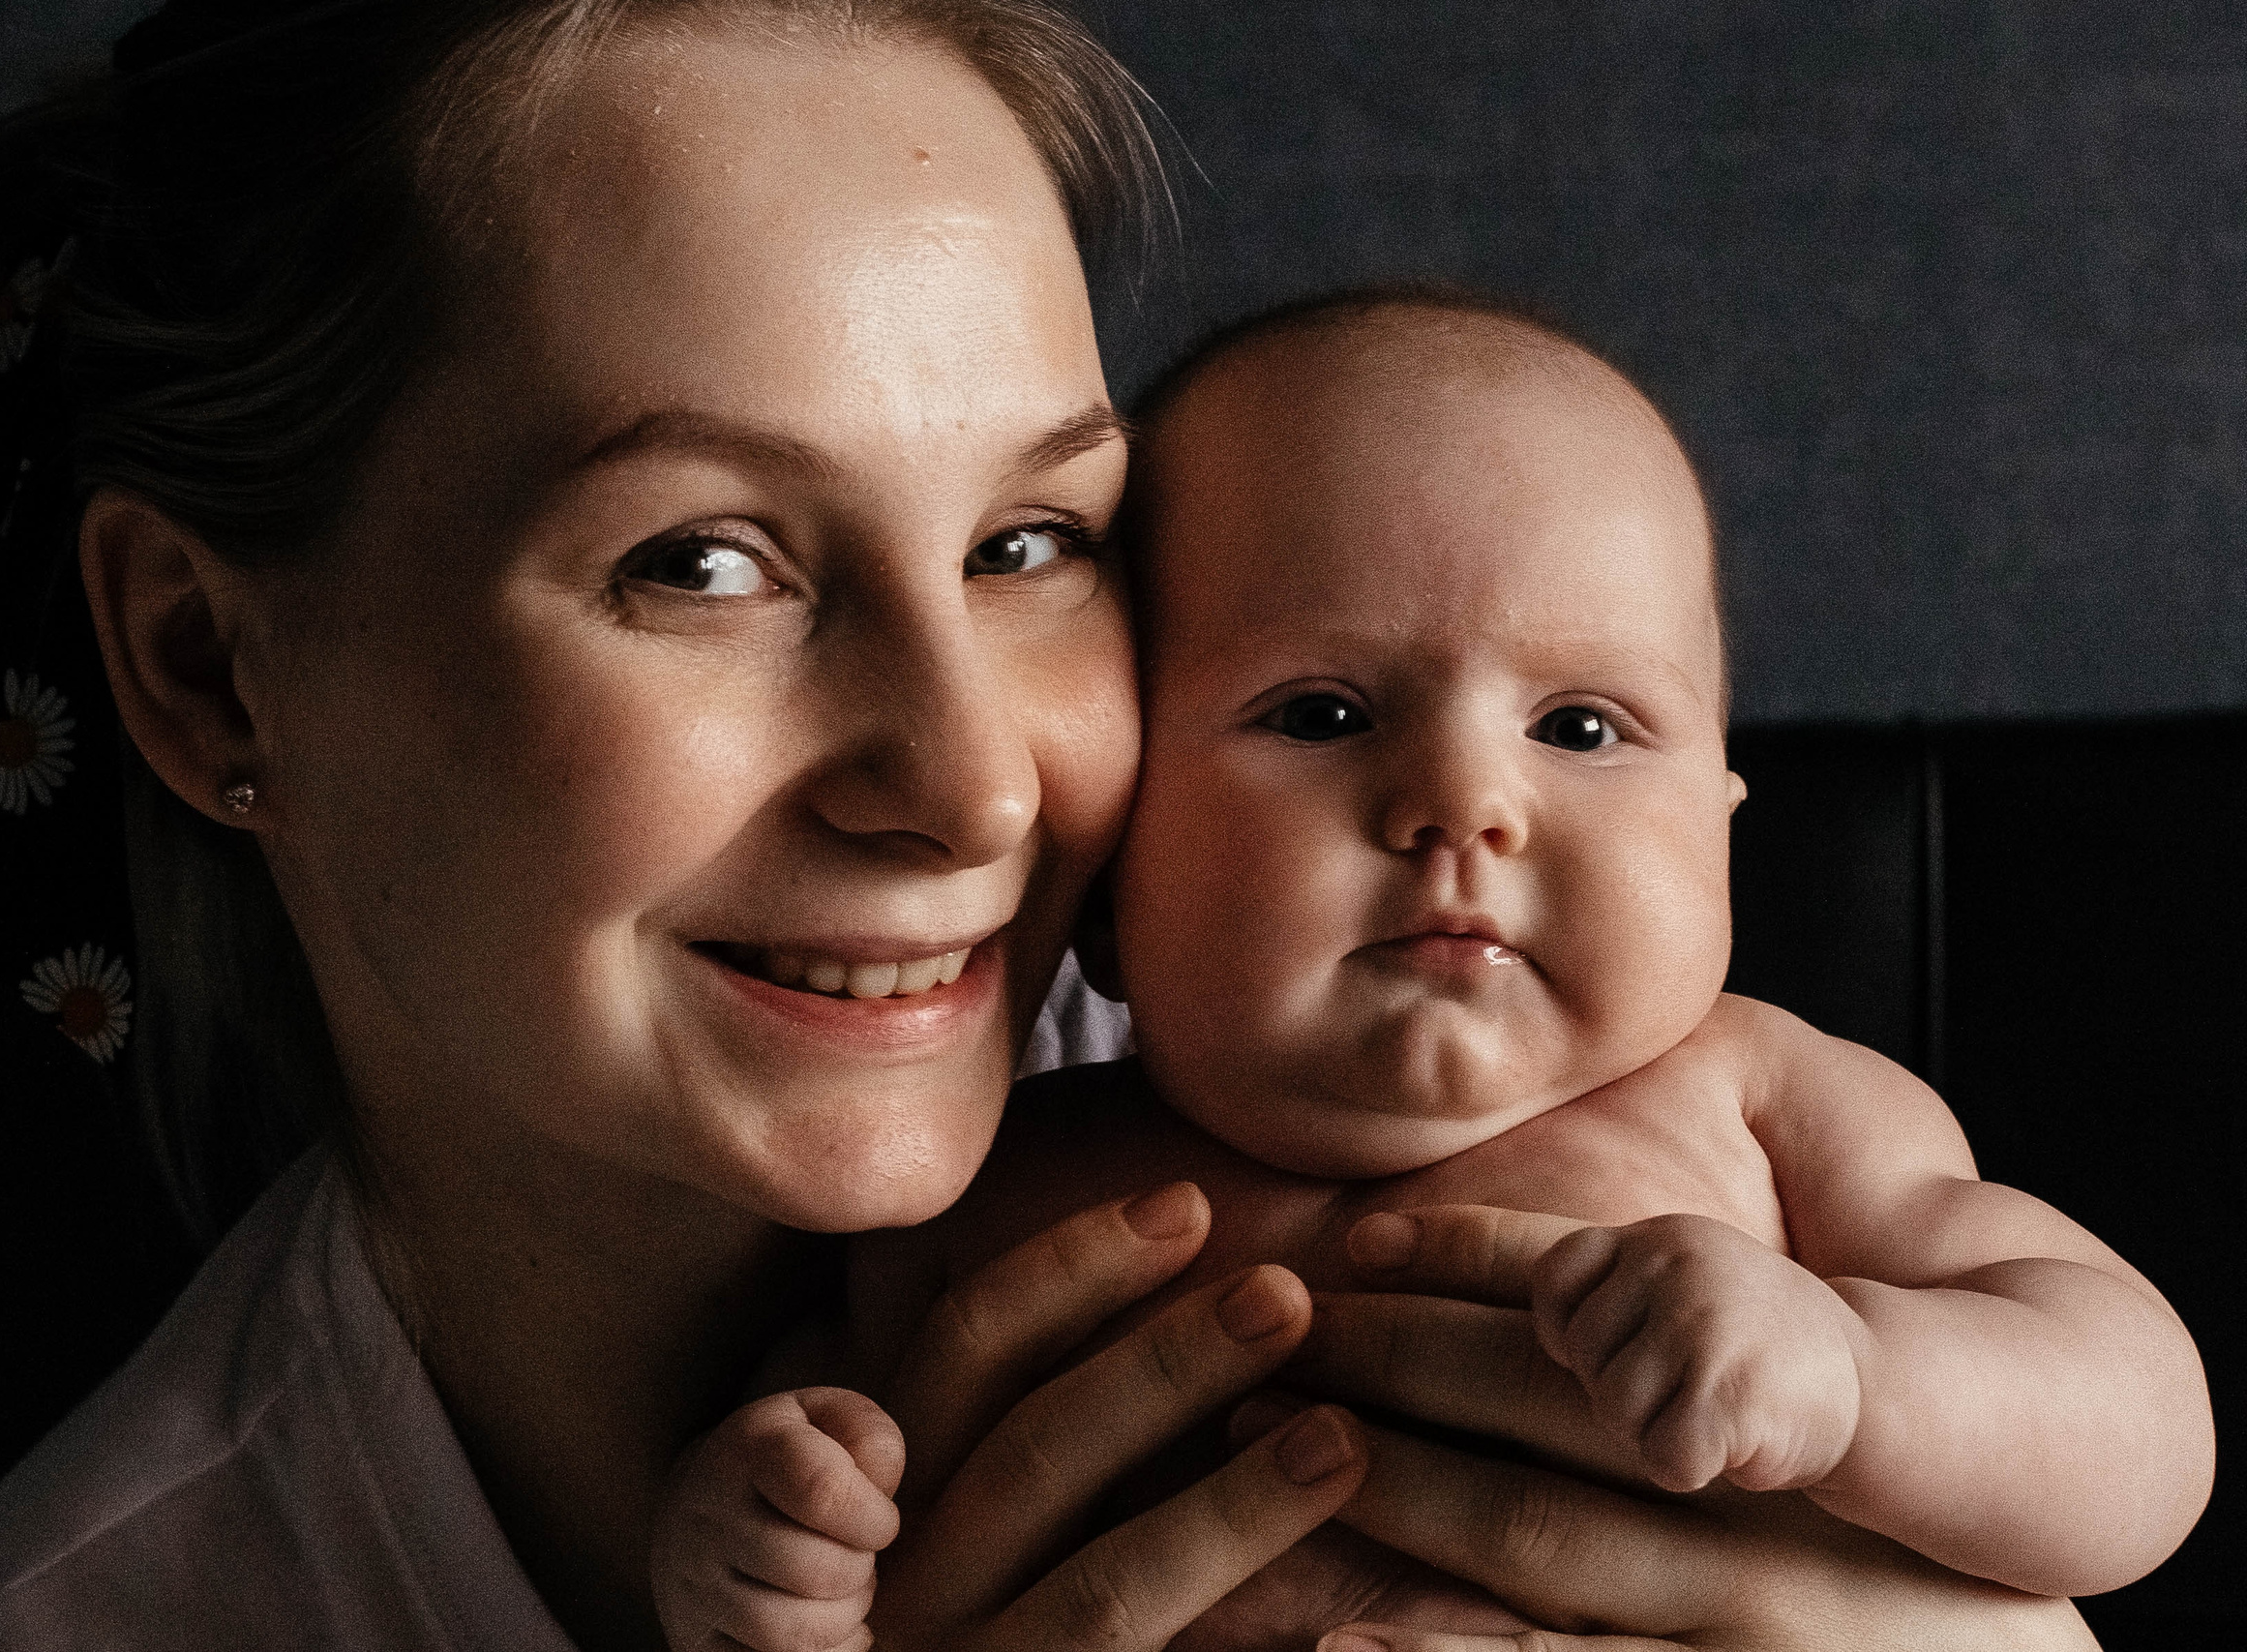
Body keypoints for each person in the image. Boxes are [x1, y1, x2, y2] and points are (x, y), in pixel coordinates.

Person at [0, 2, 2112, 1648]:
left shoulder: (1435, 1057)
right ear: (207, 665)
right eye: (701, 561)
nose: (971, 781)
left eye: (1031, 541)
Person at [652, 292, 2210, 1649]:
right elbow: (828, 1422)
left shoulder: (1763, 1109)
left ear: (1723, 831)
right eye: (1322, 716)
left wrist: (1862, 1383)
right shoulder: (994, 1179)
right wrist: (763, 1525)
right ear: (1114, 872)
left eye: (1583, 728)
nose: (1465, 804)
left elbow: (2140, 1435)